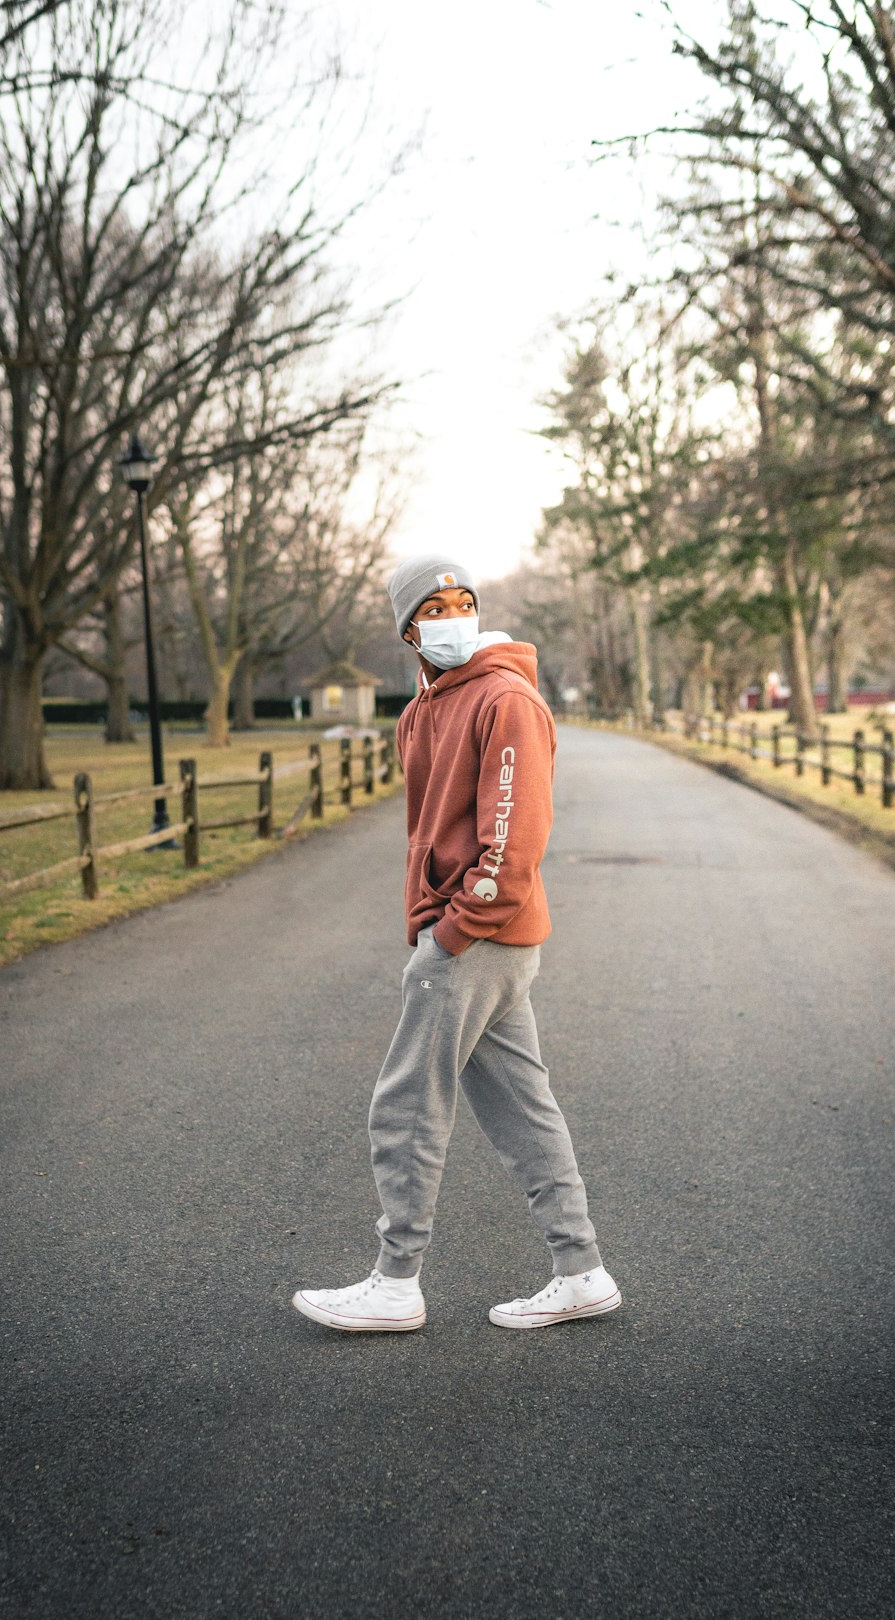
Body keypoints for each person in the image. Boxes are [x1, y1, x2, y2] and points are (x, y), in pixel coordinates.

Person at [291, 555, 620, 1333]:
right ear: (408, 629)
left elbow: (515, 835)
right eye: (433, 607)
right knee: (523, 1110)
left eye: (462, 601)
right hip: (475, 938)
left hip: (478, 939)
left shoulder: (505, 700)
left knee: (406, 1104)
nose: (451, 615)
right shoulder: (424, 707)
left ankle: (395, 1282)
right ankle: (581, 1269)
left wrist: (451, 932)